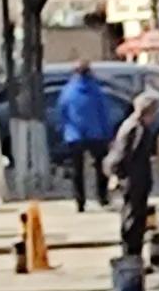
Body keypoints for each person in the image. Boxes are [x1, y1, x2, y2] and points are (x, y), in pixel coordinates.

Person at [52, 65, 121, 210]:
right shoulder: (96, 90)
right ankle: (102, 198)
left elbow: (61, 112)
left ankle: (80, 201)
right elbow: (104, 113)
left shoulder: (68, 91)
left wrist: (63, 130)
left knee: (77, 170)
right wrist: (108, 134)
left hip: (74, 136)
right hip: (97, 135)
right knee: (100, 167)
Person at [109, 98, 159, 266]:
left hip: (133, 178)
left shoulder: (129, 125)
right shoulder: (138, 129)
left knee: (132, 216)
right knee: (134, 219)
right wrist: (119, 173)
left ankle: (131, 255)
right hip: (135, 179)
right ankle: (132, 256)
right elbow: (125, 154)